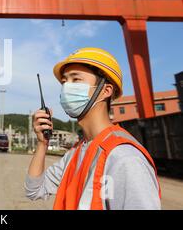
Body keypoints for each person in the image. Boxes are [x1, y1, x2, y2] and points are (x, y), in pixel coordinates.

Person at [24, 47, 161, 210]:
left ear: (105, 91)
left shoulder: (124, 159)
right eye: (64, 82)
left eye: (76, 80)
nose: (67, 87)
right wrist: (42, 144)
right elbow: (34, 190)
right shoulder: (77, 152)